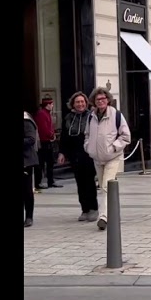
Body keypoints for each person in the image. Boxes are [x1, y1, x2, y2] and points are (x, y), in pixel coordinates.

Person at [83, 87, 131, 231]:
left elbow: (126, 136)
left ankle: (103, 217)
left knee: (105, 186)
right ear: (94, 102)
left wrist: (114, 147)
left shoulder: (116, 115)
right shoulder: (91, 116)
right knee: (103, 188)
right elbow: (87, 134)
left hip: (112, 158)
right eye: (98, 99)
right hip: (97, 158)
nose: (101, 101)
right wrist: (88, 147)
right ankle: (110, 214)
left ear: (108, 100)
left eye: (103, 99)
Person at [56, 92, 98, 222]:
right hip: (74, 155)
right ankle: (84, 209)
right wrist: (62, 153)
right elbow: (64, 137)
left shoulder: (91, 116)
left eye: (82, 102)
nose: (80, 104)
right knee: (80, 183)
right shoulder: (68, 117)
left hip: (88, 154)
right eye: (77, 102)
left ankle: (93, 209)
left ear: (86, 103)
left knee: (89, 182)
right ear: (73, 104)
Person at [33, 96, 61, 189]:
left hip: (48, 141)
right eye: (51, 104)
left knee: (50, 163)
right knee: (41, 163)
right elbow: (43, 128)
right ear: (47, 105)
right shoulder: (41, 114)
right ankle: (38, 182)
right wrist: (51, 135)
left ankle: (50, 181)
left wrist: (52, 135)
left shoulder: (47, 113)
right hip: (44, 142)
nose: (52, 106)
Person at [23, 110, 39, 226]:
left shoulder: (26, 120)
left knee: (26, 191)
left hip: (25, 160)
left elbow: (31, 139)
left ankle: (29, 216)